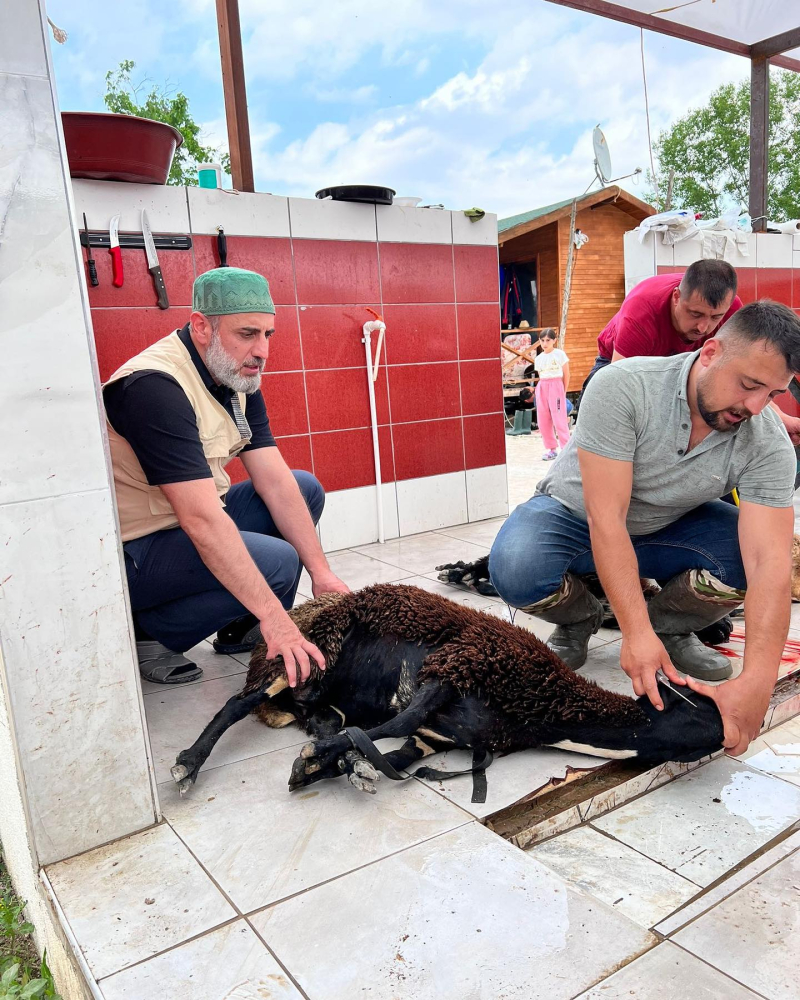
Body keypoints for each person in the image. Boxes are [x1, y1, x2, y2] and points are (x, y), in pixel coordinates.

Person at [489, 300, 800, 757]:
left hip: (669, 527)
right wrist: (633, 636)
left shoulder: (766, 442)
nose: (756, 406)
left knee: (750, 558)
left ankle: (669, 627)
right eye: (750, 385)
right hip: (576, 517)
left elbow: (771, 564)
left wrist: (756, 684)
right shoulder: (625, 387)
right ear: (710, 352)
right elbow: (606, 519)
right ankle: (582, 618)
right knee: (516, 566)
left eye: (773, 394)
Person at [103, 267, 348, 687]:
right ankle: (150, 633)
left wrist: (322, 575)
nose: (262, 350)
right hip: (132, 553)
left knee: (303, 488)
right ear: (201, 326)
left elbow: (274, 480)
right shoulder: (154, 389)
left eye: (268, 335)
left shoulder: (235, 375)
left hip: (179, 525)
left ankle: (239, 625)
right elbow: (201, 521)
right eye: (247, 333)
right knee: (277, 562)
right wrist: (277, 617)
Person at [579, 258, 800, 444]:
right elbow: (618, 385)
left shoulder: (731, 311)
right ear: (677, 297)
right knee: (603, 417)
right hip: (618, 363)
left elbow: (753, 378)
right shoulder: (641, 309)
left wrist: (780, 418)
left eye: (715, 318)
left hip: (685, 371)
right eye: (695, 314)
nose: (703, 328)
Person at [533, 328, 570, 460]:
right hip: (542, 386)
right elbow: (541, 376)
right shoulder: (538, 359)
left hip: (556, 387)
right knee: (543, 419)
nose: (545, 343)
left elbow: (567, 374)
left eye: (548, 340)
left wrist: (563, 391)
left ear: (554, 340)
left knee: (559, 418)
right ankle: (551, 449)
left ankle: (566, 448)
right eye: (542, 340)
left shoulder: (560, 355)